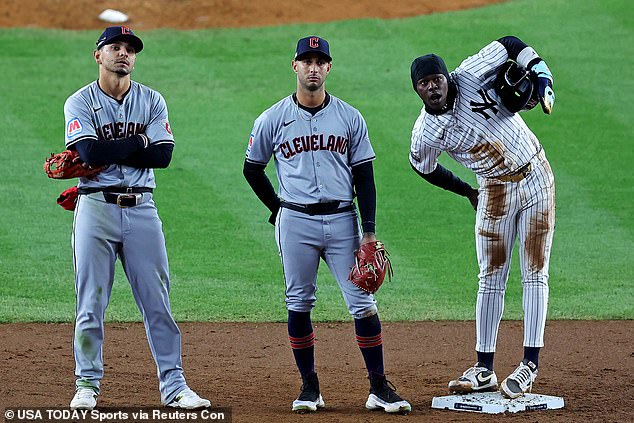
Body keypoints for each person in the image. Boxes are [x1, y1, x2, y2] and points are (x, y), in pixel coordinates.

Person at [243, 36, 411, 414]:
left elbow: (365, 176)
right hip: (296, 221)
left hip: (342, 221)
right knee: (299, 303)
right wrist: (277, 210)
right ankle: (309, 387)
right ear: (295, 66)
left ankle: (378, 388)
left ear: (329, 68)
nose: (313, 67)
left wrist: (368, 230)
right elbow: (251, 168)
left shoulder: (350, 117)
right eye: (307, 61)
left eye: (320, 61)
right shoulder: (271, 118)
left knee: (363, 303)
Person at [64, 26, 210, 410]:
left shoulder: (152, 100)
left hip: (143, 209)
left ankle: (175, 387)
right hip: (95, 208)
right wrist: (140, 141)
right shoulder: (78, 102)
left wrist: (113, 148)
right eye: (115, 48)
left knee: (158, 302)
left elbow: (162, 157)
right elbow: (89, 153)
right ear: (98, 55)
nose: (123, 54)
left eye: (129, 49)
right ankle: (87, 385)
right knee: (91, 301)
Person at [408, 36, 556, 399]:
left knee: (534, 269)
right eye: (424, 84)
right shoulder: (427, 131)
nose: (433, 87)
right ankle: (484, 369)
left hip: (536, 175)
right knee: (490, 277)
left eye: (436, 79)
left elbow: (508, 43)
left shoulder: (471, 73)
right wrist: (466, 191)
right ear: (417, 90)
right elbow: (422, 166)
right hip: (493, 189)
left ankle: (529, 365)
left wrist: (540, 72)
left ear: (447, 77)